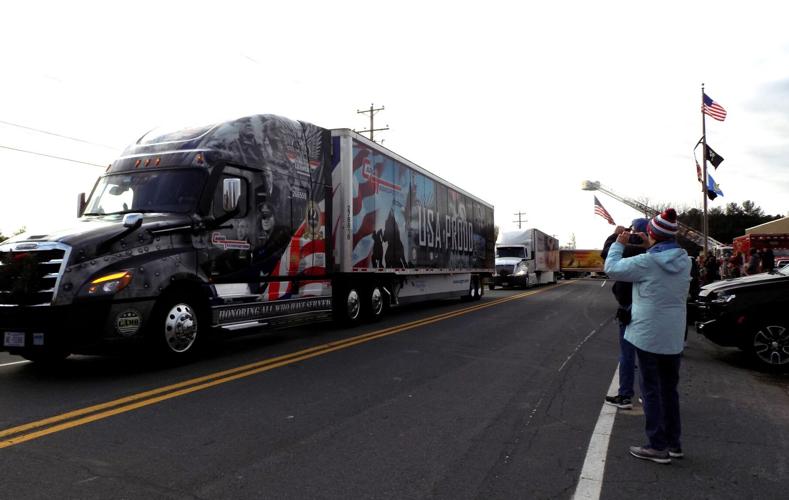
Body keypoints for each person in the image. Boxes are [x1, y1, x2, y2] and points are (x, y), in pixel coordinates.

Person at [604, 208, 691, 464]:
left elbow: (612, 268)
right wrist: (650, 243)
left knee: (651, 390)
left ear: (652, 234)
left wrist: (620, 244)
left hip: (648, 334)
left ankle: (657, 446)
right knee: (669, 390)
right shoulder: (685, 260)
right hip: (672, 336)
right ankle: (674, 443)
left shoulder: (647, 262)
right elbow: (663, 252)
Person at [600, 218, 649, 410]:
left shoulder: (631, 252)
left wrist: (616, 236)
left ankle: (625, 395)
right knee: (647, 356)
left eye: (633, 231)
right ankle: (648, 395)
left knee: (628, 354)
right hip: (647, 309)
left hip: (630, 307)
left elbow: (607, 255)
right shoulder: (651, 253)